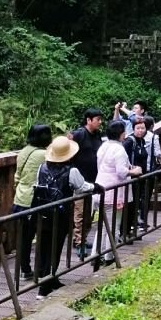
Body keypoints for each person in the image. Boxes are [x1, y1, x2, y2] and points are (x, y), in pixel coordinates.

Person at [34, 136, 96, 299]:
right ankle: (44, 286)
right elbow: (82, 186)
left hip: (43, 212)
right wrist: (95, 186)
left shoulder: (42, 168)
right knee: (55, 247)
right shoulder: (71, 170)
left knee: (45, 246)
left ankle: (50, 278)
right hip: (60, 214)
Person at [95, 120, 143, 262]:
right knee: (113, 226)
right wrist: (135, 171)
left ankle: (95, 255)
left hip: (100, 187)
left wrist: (129, 167)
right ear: (122, 134)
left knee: (103, 226)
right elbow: (121, 172)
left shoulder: (104, 145)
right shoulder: (119, 149)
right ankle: (109, 257)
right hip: (113, 192)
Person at [12, 123, 52, 280]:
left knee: (24, 237)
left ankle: (24, 269)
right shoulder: (44, 154)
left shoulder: (23, 151)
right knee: (43, 235)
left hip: (20, 198)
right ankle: (41, 269)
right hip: (35, 199)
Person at [69, 108, 104, 256]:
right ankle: (79, 243)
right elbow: (67, 150)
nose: (100, 122)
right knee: (81, 213)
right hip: (79, 181)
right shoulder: (79, 134)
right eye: (97, 119)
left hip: (93, 180)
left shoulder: (97, 135)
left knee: (89, 213)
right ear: (89, 120)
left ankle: (81, 239)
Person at [124, 117, 150, 233]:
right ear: (133, 129)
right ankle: (126, 230)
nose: (140, 131)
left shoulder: (142, 141)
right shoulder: (130, 141)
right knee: (130, 203)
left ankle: (132, 226)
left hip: (140, 177)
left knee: (136, 202)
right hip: (131, 177)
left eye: (142, 128)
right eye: (138, 128)